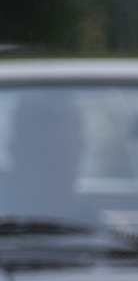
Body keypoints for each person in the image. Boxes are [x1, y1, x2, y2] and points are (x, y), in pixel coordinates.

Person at [3, 90, 86, 222]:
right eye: (47, 157)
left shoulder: (89, 222)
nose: (63, 170)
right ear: (16, 153)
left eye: (67, 155)